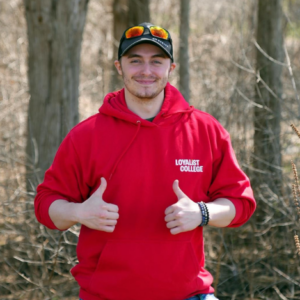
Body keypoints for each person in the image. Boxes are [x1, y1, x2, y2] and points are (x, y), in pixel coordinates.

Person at [34, 22, 256, 300]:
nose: (146, 71)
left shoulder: (204, 130)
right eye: (135, 61)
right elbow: (45, 205)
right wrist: (79, 213)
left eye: (157, 61)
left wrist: (202, 213)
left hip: (188, 293)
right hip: (106, 295)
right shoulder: (86, 135)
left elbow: (241, 204)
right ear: (119, 67)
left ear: (171, 69)